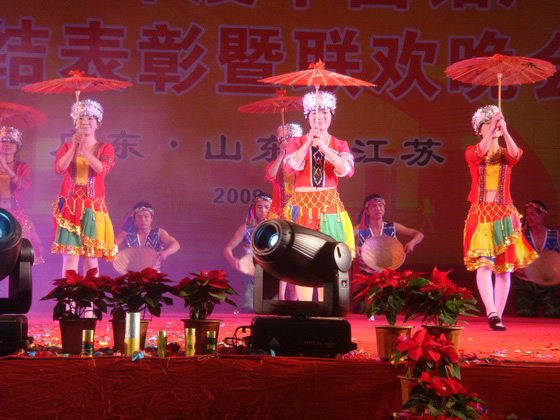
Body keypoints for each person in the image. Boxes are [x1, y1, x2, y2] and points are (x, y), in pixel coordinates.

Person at [463, 105, 538, 331]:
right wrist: (492, 130)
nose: (493, 126)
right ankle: (491, 311)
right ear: (479, 130)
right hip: (481, 214)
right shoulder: (472, 151)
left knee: (504, 269)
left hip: (505, 214)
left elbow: (516, 154)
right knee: (485, 264)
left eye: (494, 122)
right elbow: (480, 153)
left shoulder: (506, 154)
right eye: (487, 124)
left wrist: (504, 130)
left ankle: (499, 315)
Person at [283, 90, 355, 301]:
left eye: (325, 113)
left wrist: (324, 148)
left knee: (327, 257)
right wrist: (308, 142)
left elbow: (347, 170)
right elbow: (289, 167)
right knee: (301, 258)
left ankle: (326, 308)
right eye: (314, 113)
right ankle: (305, 309)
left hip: (328, 207)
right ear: (307, 117)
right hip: (302, 206)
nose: (320, 117)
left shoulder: (339, 144)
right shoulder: (296, 142)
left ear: (331, 116)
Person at [52, 99, 118, 275]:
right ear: (75, 122)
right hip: (70, 206)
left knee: (90, 258)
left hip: (92, 208)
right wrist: (74, 147)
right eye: (81, 118)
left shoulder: (105, 148)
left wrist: (85, 152)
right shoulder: (67, 146)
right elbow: (59, 168)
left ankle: (90, 294)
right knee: (70, 256)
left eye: (90, 118)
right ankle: (68, 294)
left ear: (97, 123)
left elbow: (102, 170)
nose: (85, 122)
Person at [265, 123, 302, 301]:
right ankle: (280, 298)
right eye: (283, 139)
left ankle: (295, 300)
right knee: (281, 258)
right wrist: (281, 155)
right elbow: (270, 176)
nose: (287, 142)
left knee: (296, 259)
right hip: (278, 213)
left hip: (298, 213)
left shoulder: (301, 164)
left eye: (291, 139)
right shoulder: (275, 164)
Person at [0, 126, 44, 264]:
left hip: (15, 213)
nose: (7, 144)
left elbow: (23, 186)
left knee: (16, 253)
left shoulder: (21, 166)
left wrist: (6, 168)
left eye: (12, 141)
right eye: (4, 140)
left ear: (18, 146)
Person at [223, 194, 272, 312]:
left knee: (270, 309)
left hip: (271, 275)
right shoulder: (246, 228)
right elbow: (227, 248)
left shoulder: (277, 228)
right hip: (250, 273)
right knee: (248, 308)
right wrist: (232, 259)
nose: (263, 210)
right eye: (259, 207)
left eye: (266, 207)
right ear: (254, 208)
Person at [355, 194, 424, 274]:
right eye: (373, 206)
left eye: (380, 205)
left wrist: (412, 243)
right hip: (365, 274)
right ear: (367, 211)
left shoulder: (392, 227)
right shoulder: (359, 229)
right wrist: (353, 248)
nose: (378, 208)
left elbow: (419, 234)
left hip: (389, 274)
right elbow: (343, 241)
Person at [513, 200, 560, 318]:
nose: (528, 217)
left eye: (532, 214)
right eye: (527, 214)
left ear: (543, 214)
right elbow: (514, 258)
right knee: (524, 313)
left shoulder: (555, 235)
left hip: (546, 282)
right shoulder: (522, 236)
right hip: (525, 282)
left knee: (553, 313)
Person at [116, 202, 181, 272]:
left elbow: (176, 244)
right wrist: (115, 255)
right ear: (134, 219)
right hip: (133, 275)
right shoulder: (126, 234)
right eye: (139, 217)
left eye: (146, 216)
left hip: (154, 275)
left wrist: (166, 253)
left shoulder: (159, 233)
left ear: (151, 218)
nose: (143, 220)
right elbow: (112, 247)